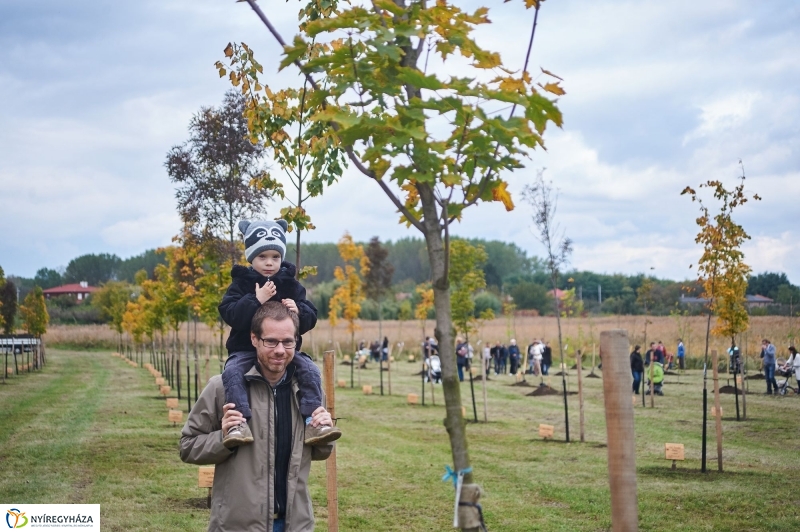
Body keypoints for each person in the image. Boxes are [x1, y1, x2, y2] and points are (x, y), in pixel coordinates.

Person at [180, 302, 335, 532]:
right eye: (271, 341)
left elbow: (320, 452)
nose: (280, 350)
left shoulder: (308, 391)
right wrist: (222, 437)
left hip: (295, 524)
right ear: (254, 339)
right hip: (237, 525)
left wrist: (324, 432)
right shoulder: (222, 389)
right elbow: (188, 446)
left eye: (288, 342)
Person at [218, 219, 340, 449]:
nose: (269, 263)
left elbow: (311, 315)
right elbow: (230, 313)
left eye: (275, 257)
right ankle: (238, 424)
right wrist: (256, 300)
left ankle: (313, 421)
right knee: (232, 373)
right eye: (262, 257)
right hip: (244, 349)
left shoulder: (289, 284)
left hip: (285, 352)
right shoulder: (242, 283)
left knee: (310, 371)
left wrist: (298, 310)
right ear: (251, 257)